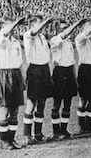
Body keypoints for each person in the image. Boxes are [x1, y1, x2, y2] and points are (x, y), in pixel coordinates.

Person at [0, 16, 25, 150]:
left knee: (15, 109)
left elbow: (20, 61)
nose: (13, 26)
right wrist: (16, 22)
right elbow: (6, 32)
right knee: (5, 108)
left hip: (16, 74)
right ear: (3, 25)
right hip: (5, 74)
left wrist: (22, 78)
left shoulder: (16, 41)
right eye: (10, 24)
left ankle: (12, 139)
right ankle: (4, 141)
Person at [50, 19, 85, 139]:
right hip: (59, 71)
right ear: (58, 30)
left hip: (69, 72)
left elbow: (72, 62)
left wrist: (75, 79)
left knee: (68, 103)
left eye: (67, 27)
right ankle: (56, 132)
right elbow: (63, 35)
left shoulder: (69, 42)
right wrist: (76, 24)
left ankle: (64, 129)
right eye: (63, 28)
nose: (66, 30)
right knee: (57, 103)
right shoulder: (55, 40)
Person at [22, 14, 54, 144]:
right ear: (33, 25)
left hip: (44, 70)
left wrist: (49, 74)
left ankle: (38, 134)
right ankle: (27, 136)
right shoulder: (28, 35)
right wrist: (46, 21)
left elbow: (47, 56)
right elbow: (34, 31)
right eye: (40, 23)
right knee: (31, 104)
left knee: (41, 104)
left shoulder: (42, 37)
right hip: (34, 70)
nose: (43, 27)